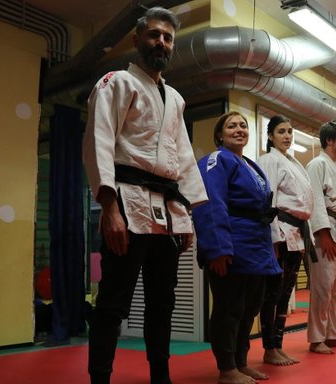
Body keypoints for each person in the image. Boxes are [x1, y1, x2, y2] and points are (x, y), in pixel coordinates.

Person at [82, 7, 208, 384]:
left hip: (168, 212)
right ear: (137, 39)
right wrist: (109, 207)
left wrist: (186, 218)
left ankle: (160, 376)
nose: (161, 43)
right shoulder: (116, 83)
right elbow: (99, 141)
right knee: (113, 303)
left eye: (168, 38)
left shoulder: (177, 99)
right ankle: (100, 378)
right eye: (154, 35)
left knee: (162, 303)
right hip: (127, 200)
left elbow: (182, 158)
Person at [193, 111, 282, 384]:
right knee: (229, 307)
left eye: (243, 125)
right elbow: (210, 202)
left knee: (250, 308)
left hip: (256, 245)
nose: (239, 129)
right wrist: (217, 249)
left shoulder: (252, 166)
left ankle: (241, 363)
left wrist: (271, 247)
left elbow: (264, 209)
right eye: (232, 126)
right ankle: (226, 367)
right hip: (232, 244)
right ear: (220, 135)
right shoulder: (216, 160)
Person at [257, 115, 314, 366]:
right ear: (270, 136)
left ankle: (278, 345)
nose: (287, 136)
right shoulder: (270, 160)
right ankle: (269, 348)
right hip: (280, 230)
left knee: (286, 292)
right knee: (273, 292)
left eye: (290, 131)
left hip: (297, 232)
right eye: (281, 131)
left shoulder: (294, 162)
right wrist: (272, 238)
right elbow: (268, 199)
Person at [306, 120, 336, 354]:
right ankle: (317, 338)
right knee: (322, 288)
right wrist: (322, 233)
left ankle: (333, 334)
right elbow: (314, 199)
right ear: (329, 140)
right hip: (326, 231)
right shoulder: (317, 165)